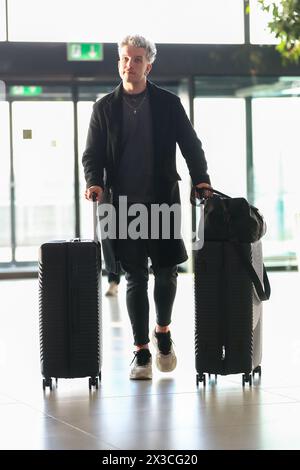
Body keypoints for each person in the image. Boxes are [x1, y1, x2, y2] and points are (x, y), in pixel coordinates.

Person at [82, 34, 211, 380]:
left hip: (161, 202)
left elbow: (190, 144)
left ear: (148, 65)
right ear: (119, 62)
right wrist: (94, 181)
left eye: (137, 59)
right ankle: (141, 353)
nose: (130, 64)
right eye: (125, 58)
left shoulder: (168, 104)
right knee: (135, 276)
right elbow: (92, 155)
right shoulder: (104, 108)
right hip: (121, 205)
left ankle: (163, 332)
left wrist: (201, 178)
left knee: (167, 272)